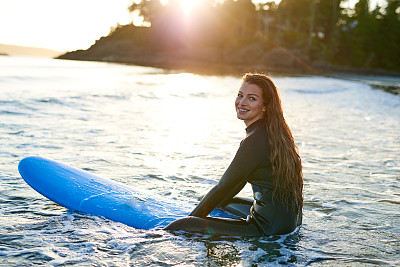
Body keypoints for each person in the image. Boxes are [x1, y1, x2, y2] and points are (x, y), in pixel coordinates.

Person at [164, 73, 303, 236]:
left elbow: (223, 186)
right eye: (240, 95)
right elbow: (237, 182)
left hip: (266, 229)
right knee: (224, 202)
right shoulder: (275, 133)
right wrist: (214, 203)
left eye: (252, 98)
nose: (242, 102)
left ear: (265, 106)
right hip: (290, 224)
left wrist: (189, 222)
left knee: (181, 226)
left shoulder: (254, 140)